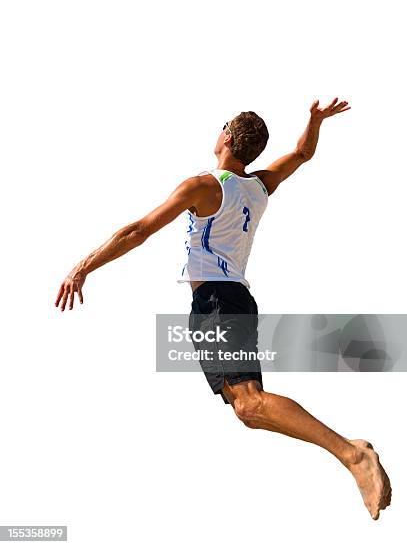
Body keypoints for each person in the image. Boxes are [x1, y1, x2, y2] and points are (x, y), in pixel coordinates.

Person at [55, 98, 391, 520]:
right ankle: (350, 452)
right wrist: (313, 122)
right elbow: (303, 154)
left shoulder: (205, 186)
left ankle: (352, 454)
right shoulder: (259, 185)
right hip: (230, 300)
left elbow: (139, 230)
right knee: (248, 411)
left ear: (227, 137)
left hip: (217, 301)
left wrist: (83, 267)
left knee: (250, 404)